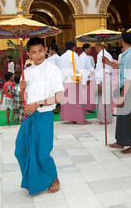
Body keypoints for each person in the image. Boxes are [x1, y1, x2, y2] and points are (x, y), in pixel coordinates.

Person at [15, 37, 64, 195]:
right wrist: (21, 87)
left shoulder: (53, 70)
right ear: (28, 54)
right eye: (34, 52)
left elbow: (60, 97)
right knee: (21, 150)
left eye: (41, 51)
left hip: (44, 114)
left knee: (43, 153)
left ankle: (53, 178)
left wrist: (38, 104)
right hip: (29, 117)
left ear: (46, 50)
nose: (38, 55)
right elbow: (25, 96)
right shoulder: (27, 72)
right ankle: (31, 179)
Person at [108, 30, 131, 154]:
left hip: (130, 88)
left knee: (128, 117)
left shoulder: (130, 55)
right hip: (126, 88)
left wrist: (122, 96)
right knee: (121, 116)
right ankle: (120, 141)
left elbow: (129, 78)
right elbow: (121, 68)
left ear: (123, 40)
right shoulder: (129, 54)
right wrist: (108, 63)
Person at [59, 41, 90, 125]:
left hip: (64, 81)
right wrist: (84, 81)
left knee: (68, 102)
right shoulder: (74, 55)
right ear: (73, 47)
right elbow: (79, 68)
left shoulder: (61, 57)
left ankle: (71, 119)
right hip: (73, 80)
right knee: (77, 100)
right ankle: (81, 120)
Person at [95, 44, 115, 125]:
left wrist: (98, 82)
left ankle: (104, 119)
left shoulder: (101, 55)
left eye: (96, 47)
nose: (95, 49)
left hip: (103, 77)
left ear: (100, 46)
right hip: (107, 76)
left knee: (102, 100)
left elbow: (100, 69)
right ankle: (106, 118)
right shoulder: (108, 54)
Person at [78, 43, 96, 114]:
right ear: (86, 49)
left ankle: (87, 108)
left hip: (88, 77)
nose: (91, 50)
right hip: (85, 79)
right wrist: (85, 79)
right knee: (84, 94)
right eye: (90, 48)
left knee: (88, 95)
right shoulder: (82, 57)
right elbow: (82, 69)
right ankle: (84, 109)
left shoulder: (86, 56)